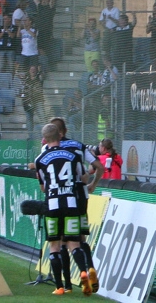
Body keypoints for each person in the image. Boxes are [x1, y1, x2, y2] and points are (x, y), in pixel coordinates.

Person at [34, 123, 92, 296]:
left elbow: (43, 186)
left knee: (54, 246)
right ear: (60, 136)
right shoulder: (73, 155)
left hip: (52, 204)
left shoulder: (39, 159)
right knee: (74, 243)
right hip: (71, 203)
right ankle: (83, 272)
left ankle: (59, 286)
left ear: (44, 139)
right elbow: (82, 176)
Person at [49, 117, 104, 294]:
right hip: (81, 195)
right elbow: (99, 166)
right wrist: (93, 184)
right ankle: (90, 268)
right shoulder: (79, 146)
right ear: (64, 131)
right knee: (80, 237)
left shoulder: (48, 149)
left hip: (62, 196)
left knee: (64, 241)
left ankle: (66, 284)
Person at [21, 65, 46, 132]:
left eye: (34, 69)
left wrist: (40, 70)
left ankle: (45, 136)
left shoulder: (39, 78)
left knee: (42, 118)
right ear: (29, 71)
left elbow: (43, 76)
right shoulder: (26, 79)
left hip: (38, 101)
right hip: (28, 102)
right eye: (31, 69)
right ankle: (30, 136)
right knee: (29, 119)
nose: (33, 70)